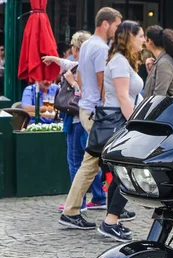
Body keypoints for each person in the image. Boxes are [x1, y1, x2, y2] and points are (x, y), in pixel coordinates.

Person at [58, 7, 125, 230]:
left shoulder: (87, 45)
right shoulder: (100, 48)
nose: (118, 30)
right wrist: (105, 108)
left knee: (96, 162)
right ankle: (78, 210)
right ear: (106, 24)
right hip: (98, 112)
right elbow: (102, 82)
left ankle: (107, 208)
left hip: (88, 108)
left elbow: (79, 77)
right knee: (93, 163)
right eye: (116, 25)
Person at [44, 31, 107, 212]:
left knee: (75, 161)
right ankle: (98, 196)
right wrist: (53, 58)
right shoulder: (88, 63)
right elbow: (67, 63)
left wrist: (72, 82)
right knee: (90, 160)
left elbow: (86, 91)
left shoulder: (82, 67)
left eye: (73, 47)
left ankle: (77, 201)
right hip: (86, 118)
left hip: (77, 118)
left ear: (77, 48)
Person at [96, 21, 145, 241]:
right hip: (121, 122)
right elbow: (123, 96)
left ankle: (111, 219)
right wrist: (136, 124)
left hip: (122, 121)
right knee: (128, 173)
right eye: (141, 35)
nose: (144, 39)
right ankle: (111, 220)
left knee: (120, 173)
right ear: (130, 37)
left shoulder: (123, 61)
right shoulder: (119, 62)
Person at [143, 25, 173, 98]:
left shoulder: (164, 63)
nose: (143, 41)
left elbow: (158, 96)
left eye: (145, 38)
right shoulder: (162, 61)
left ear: (149, 41)